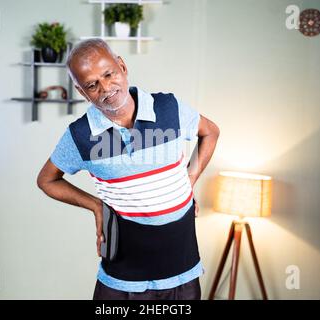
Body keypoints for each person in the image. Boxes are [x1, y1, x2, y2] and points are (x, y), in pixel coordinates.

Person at [37, 39, 220, 300]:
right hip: (122, 277)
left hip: (182, 270)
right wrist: (95, 205)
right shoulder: (80, 135)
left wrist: (189, 179)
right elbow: (47, 180)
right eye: (92, 85)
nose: (105, 88)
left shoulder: (169, 108)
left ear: (122, 66)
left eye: (108, 74)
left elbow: (210, 132)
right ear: (82, 91)